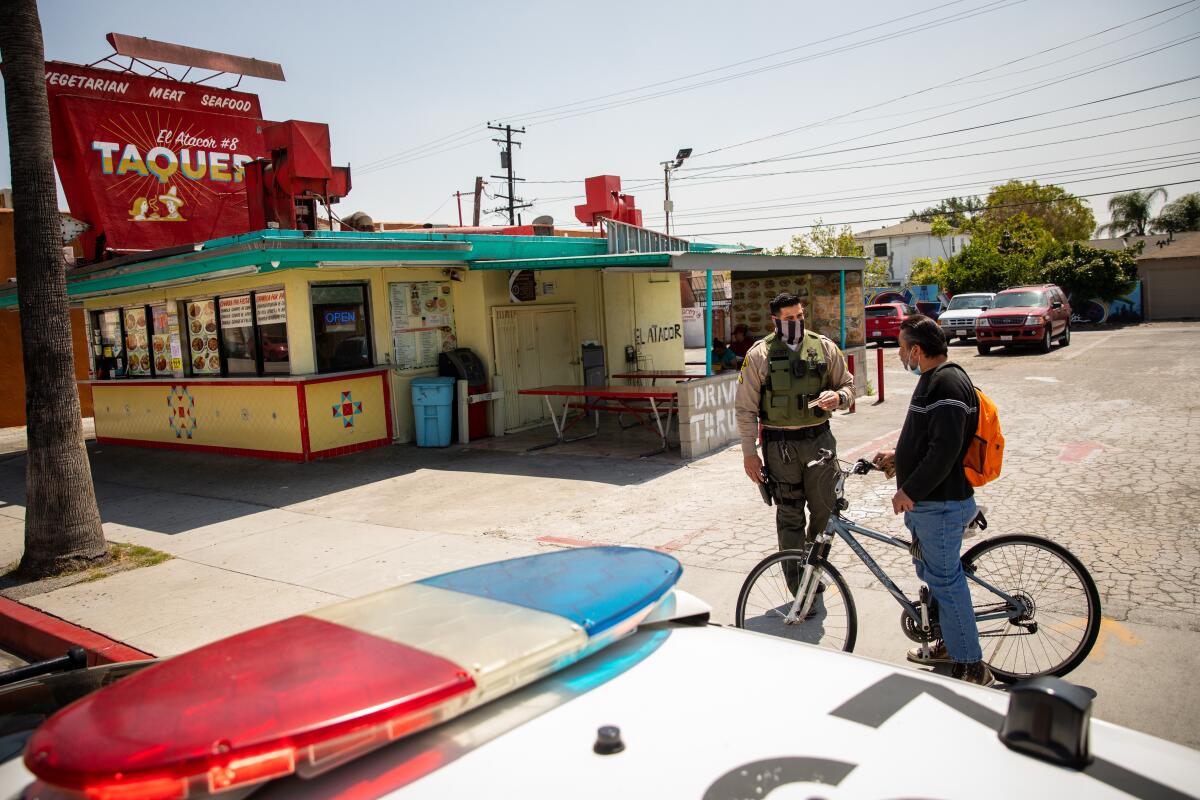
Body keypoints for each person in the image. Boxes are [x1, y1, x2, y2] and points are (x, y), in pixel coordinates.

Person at [872, 315, 992, 686]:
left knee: (946, 582)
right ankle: (948, 643)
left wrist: (910, 490)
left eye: (902, 348)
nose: (900, 355)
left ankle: (972, 666)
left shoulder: (947, 383)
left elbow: (945, 450)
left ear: (917, 350)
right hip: (931, 505)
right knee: (934, 577)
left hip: (939, 504)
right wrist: (897, 457)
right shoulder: (934, 381)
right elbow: (928, 440)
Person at [736, 292, 854, 591]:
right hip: (780, 447)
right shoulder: (759, 354)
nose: (797, 322)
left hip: (819, 442)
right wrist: (750, 454)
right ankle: (799, 585)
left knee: (825, 511)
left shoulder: (825, 347)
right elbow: (746, 408)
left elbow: (850, 385)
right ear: (775, 320)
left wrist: (838, 397)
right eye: (789, 318)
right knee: (789, 514)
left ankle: (813, 570)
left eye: (800, 316)